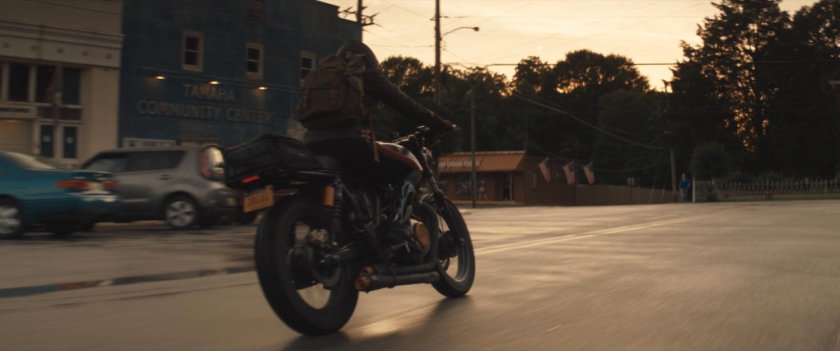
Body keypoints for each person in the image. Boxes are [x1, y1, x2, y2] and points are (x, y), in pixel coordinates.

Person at [301, 41, 454, 230]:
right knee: (412, 167)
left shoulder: (324, 77)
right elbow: (403, 103)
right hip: (349, 146)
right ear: (367, 60)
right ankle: (396, 226)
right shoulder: (365, 74)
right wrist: (438, 124)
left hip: (311, 146)